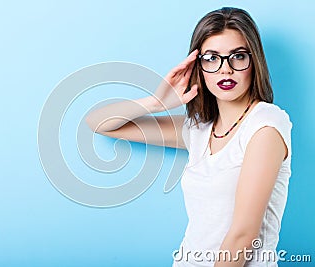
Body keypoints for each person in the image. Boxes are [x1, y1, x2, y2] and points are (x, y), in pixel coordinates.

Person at [85, 7, 292, 267]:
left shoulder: (266, 125)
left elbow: (243, 236)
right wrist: (156, 102)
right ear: (198, 67)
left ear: (255, 62)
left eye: (238, 57)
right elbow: (99, 123)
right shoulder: (198, 130)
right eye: (212, 58)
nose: (225, 70)